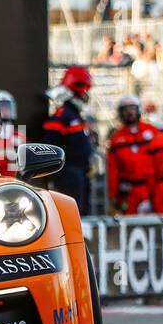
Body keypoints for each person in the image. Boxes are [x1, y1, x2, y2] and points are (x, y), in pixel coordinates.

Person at [41, 65, 94, 214]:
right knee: (72, 213)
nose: (86, 95)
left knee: (83, 212)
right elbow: (50, 145)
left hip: (81, 171)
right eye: (85, 91)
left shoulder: (76, 115)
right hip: (69, 172)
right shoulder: (62, 116)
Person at [106, 94, 159, 215]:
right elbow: (112, 170)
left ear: (138, 110)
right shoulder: (116, 138)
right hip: (128, 192)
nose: (129, 112)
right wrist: (112, 195)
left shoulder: (153, 132)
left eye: (132, 108)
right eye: (126, 109)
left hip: (150, 189)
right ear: (121, 113)